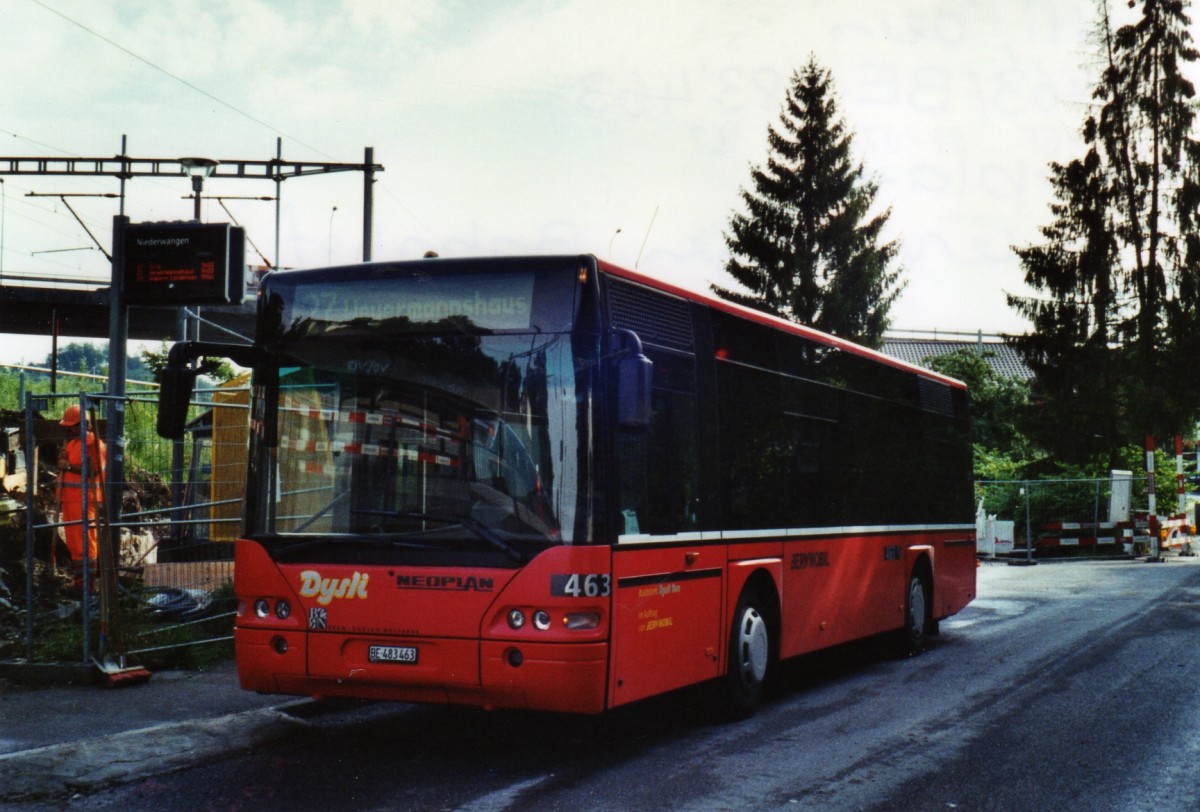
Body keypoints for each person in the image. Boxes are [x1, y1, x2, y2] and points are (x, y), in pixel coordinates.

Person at [57, 404, 107, 565]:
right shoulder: (73, 444)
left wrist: (68, 466)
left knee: (85, 543)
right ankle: (80, 583)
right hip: (70, 501)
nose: (69, 430)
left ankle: (86, 585)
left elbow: (94, 470)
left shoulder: (93, 445)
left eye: (71, 427)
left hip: (84, 501)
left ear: (82, 425)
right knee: (74, 543)